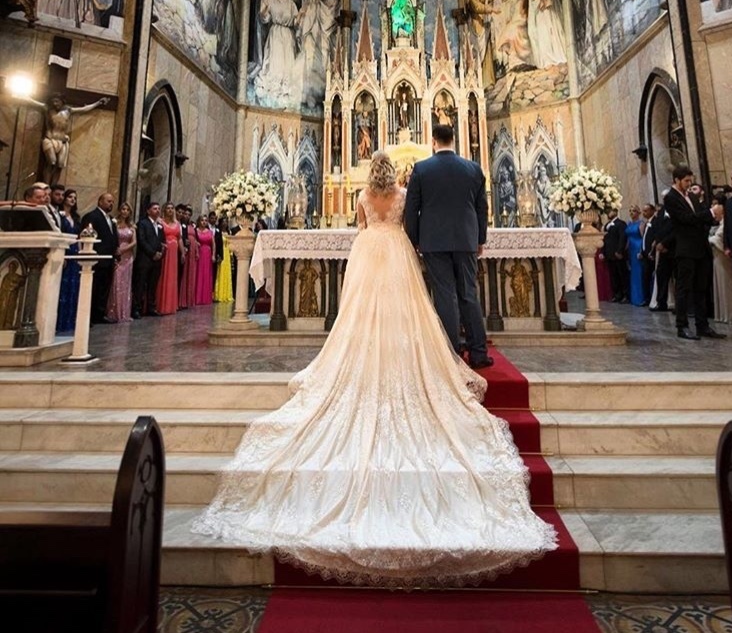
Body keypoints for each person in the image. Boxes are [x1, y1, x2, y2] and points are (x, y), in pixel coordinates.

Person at [192, 150, 556, 584]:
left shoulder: (363, 196)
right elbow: (409, 226)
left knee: (360, 314)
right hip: (399, 254)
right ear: (395, 174)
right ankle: (420, 353)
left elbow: (361, 227)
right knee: (408, 312)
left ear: (370, 173)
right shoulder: (403, 194)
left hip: (368, 255)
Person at [405, 124, 493, 368]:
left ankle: (451, 354)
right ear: (453, 140)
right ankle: (478, 352)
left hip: (433, 241)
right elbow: (481, 209)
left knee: (445, 295)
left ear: (434, 142)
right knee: (468, 293)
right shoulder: (473, 169)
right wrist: (480, 239)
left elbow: (412, 209)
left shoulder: (422, 169)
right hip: (466, 239)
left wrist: (413, 240)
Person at [663, 166, 725, 340]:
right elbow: (684, 219)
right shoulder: (671, 198)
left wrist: (709, 218)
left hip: (700, 247)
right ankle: (682, 326)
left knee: (701, 288)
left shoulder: (691, 196)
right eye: (686, 181)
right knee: (684, 288)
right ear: (676, 180)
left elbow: (699, 217)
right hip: (685, 249)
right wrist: (711, 212)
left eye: (690, 181)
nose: (689, 184)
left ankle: (702, 325)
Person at [26, 93, 110, 186]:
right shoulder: (47, 109)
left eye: (57, 101)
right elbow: (33, 102)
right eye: (53, 101)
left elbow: (83, 109)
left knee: (60, 165)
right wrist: (23, 95)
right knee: (51, 162)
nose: (55, 104)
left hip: (62, 141)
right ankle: (46, 185)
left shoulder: (68, 110)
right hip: (50, 139)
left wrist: (97, 103)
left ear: (62, 101)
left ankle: (53, 186)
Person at [254, 0, 299, 104]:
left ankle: (286, 88)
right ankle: (274, 87)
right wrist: (263, 12)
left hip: (287, 34)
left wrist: (300, 18)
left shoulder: (291, 4)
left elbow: (296, 22)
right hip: (276, 32)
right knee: (276, 59)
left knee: (288, 60)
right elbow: (264, 18)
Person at [80, 192, 118, 325]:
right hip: (97, 258)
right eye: (108, 201)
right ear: (100, 202)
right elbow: (87, 236)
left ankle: (100, 313)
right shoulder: (92, 216)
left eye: (112, 201)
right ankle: (89, 316)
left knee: (104, 288)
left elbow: (113, 237)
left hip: (108, 258)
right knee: (94, 288)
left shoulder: (111, 219)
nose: (111, 204)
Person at [55, 188, 81, 333]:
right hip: (64, 252)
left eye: (74, 198)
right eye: (70, 197)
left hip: (75, 253)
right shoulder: (59, 216)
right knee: (62, 287)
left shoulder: (75, 217)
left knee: (73, 286)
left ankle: (69, 321)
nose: (72, 200)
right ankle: (59, 321)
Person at [132, 202, 164, 319]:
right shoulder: (142, 223)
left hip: (157, 259)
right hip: (145, 259)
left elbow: (161, 240)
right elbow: (142, 240)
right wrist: (152, 253)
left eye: (159, 208)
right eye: (155, 208)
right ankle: (136, 308)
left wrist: (161, 252)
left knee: (152, 284)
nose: (158, 210)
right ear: (148, 211)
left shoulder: (159, 225)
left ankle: (151, 307)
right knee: (140, 284)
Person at [106, 202, 136, 323]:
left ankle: (124, 312)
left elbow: (134, 242)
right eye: (123, 209)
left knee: (125, 283)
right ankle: (113, 311)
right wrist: (116, 250)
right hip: (117, 253)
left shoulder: (132, 226)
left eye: (127, 210)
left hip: (127, 255)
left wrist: (124, 249)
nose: (125, 211)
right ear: (119, 210)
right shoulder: (114, 224)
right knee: (116, 282)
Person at [157, 202, 184, 316]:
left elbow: (180, 239)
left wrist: (182, 253)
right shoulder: (160, 222)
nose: (170, 210)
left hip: (174, 253)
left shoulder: (177, 224)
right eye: (168, 208)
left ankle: (170, 304)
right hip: (165, 251)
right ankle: (160, 304)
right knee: (163, 276)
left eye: (172, 208)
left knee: (172, 277)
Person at [602, 208, 628, 303]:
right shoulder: (607, 225)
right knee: (614, 276)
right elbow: (605, 240)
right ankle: (617, 294)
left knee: (622, 274)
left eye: (611, 211)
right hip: (609, 254)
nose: (609, 213)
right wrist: (604, 252)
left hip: (617, 253)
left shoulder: (621, 224)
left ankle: (625, 294)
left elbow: (622, 238)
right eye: (608, 211)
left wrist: (620, 251)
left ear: (616, 212)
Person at [625, 205, 645, 306]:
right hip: (631, 249)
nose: (632, 213)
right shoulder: (629, 223)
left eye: (634, 211)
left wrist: (642, 251)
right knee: (632, 272)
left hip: (638, 247)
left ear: (638, 213)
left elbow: (643, 237)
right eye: (630, 211)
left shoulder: (641, 224)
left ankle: (641, 297)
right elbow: (628, 238)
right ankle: (634, 297)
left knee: (638, 272)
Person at [194, 215, 215, 306]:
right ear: (199, 221)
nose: (204, 222)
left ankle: (205, 297)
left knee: (206, 274)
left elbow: (213, 244)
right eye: (202, 220)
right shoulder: (196, 231)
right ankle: (197, 297)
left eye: (206, 220)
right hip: (199, 253)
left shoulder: (209, 232)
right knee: (198, 274)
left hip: (207, 254)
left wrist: (213, 255)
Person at [213, 217, 234, 303]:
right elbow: (217, 243)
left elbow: (231, 243)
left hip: (227, 254)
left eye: (226, 222)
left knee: (227, 273)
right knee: (220, 273)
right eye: (223, 222)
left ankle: (227, 294)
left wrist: (231, 254)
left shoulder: (229, 232)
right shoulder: (218, 232)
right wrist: (217, 255)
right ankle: (219, 294)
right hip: (222, 254)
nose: (225, 223)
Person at [0, 261, 24, 329]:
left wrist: (14, 285)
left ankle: (8, 324)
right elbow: (3, 286)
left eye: (12, 267)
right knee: (2, 309)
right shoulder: (6, 276)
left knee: (10, 310)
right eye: (10, 267)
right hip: (4, 296)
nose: (11, 268)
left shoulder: (16, 276)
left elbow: (21, 281)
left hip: (12, 297)